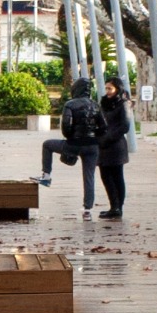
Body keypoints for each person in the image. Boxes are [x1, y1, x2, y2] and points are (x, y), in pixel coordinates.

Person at [57, 73, 103, 211]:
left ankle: (46, 174)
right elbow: (104, 126)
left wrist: (70, 139)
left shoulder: (70, 104)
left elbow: (66, 125)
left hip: (76, 142)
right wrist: (95, 137)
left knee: (48, 145)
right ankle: (88, 206)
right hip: (92, 144)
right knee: (89, 176)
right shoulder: (95, 105)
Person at [94, 79, 132, 220]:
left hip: (115, 145)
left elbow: (124, 126)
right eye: (106, 88)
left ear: (117, 89)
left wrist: (108, 138)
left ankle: (118, 207)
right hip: (102, 146)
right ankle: (113, 206)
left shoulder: (123, 104)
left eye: (110, 88)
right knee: (105, 176)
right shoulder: (103, 103)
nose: (107, 92)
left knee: (116, 176)